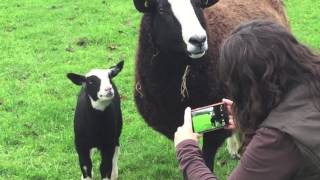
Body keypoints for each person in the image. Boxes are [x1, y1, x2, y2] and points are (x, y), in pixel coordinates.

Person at [174, 20, 320, 180]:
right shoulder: (312, 81)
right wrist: (253, 123)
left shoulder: (278, 139)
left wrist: (187, 149)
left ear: (249, 84)